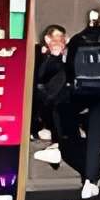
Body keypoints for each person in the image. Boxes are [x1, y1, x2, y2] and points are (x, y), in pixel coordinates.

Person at [65, 10, 100, 197]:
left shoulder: (76, 40)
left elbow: (69, 68)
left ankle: (87, 169)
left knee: (74, 133)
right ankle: (90, 180)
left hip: (80, 91)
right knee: (96, 136)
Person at [31, 24, 71, 168]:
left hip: (54, 97)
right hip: (42, 96)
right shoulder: (40, 54)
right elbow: (38, 76)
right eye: (57, 37)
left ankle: (56, 144)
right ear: (48, 39)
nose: (60, 42)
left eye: (62, 38)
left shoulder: (64, 58)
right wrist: (49, 56)